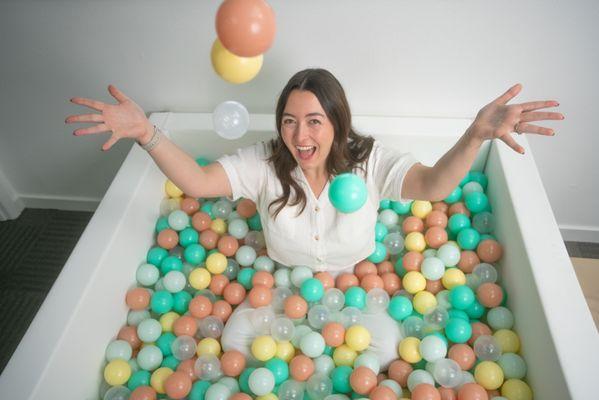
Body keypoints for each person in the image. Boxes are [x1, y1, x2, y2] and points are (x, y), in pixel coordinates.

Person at [65, 68, 563, 369]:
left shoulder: (368, 160)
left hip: (357, 281)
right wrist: (146, 133)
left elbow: (433, 187)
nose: (299, 136)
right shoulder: (264, 162)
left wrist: (476, 135)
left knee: (388, 352)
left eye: (313, 121)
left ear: (337, 123)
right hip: (283, 279)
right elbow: (197, 185)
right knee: (236, 342)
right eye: (288, 120)